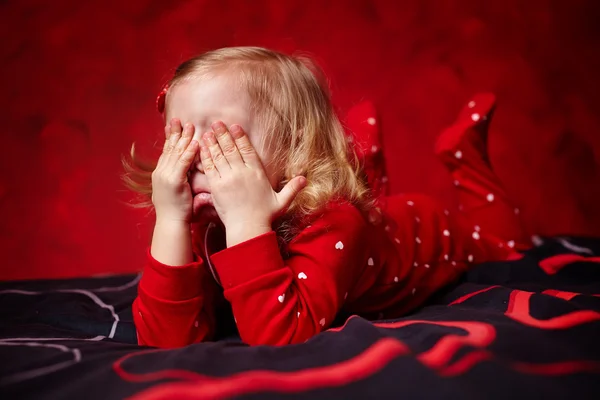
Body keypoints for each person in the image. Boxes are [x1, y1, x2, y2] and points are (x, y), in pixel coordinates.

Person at [122, 46, 529, 348]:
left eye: (221, 140)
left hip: (422, 232)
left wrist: (247, 221)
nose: (194, 160)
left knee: (506, 247)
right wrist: (170, 221)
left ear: (296, 145)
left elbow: (279, 338)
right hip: (361, 233)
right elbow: (165, 343)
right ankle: (362, 159)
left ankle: (464, 156)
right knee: (365, 193)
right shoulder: (207, 216)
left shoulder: (335, 220)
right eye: (180, 139)